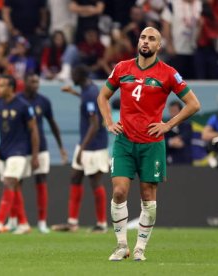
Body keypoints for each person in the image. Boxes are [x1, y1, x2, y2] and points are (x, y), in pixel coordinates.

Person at [97, 27, 200, 261]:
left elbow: (194, 104)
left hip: (152, 143)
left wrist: (168, 125)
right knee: (119, 191)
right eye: (143, 37)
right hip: (124, 141)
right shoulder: (122, 68)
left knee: (148, 196)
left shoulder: (169, 73)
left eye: (151, 39)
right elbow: (102, 96)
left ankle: (140, 248)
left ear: (158, 46)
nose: (146, 41)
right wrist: (109, 122)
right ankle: (121, 245)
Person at [0, 75, 40, 234]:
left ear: (11, 87)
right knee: (15, 187)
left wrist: (34, 155)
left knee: (9, 182)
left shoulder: (23, 105)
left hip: (20, 151)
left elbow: (34, 131)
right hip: (3, 151)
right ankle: (24, 224)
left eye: (2, 86)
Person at [52, 65, 109, 233]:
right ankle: (72, 223)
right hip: (85, 144)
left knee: (95, 181)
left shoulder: (90, 93)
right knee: (75, 177)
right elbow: (89, 104)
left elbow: (95, 124)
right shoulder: (88, 89)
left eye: (73, 74)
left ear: (79, 74)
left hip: (94, 146)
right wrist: (73, 93)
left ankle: (101, 224)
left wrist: (82, 149)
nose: (71, 77)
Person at [7, 73, 67, 234]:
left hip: (40, 148)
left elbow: (53, 124)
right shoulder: (16, 101)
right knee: (16, 182)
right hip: (20, 148)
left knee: (41, 181)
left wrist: (61, 147)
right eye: (32, 81)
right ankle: (15, 219)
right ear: (24, 82)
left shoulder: (44, 101)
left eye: (37, 81)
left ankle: (42, 222)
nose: (35, 84)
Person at [165, 101, 193, 165]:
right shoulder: (165, 126)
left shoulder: (187, 125)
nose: (172, 113)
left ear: (180, 111)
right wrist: (170, 142)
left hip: (185, 160)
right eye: (171, 111)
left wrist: (177, 140)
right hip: (170, 161)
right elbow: (163, 141)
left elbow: (185, 138)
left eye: (175, 111)